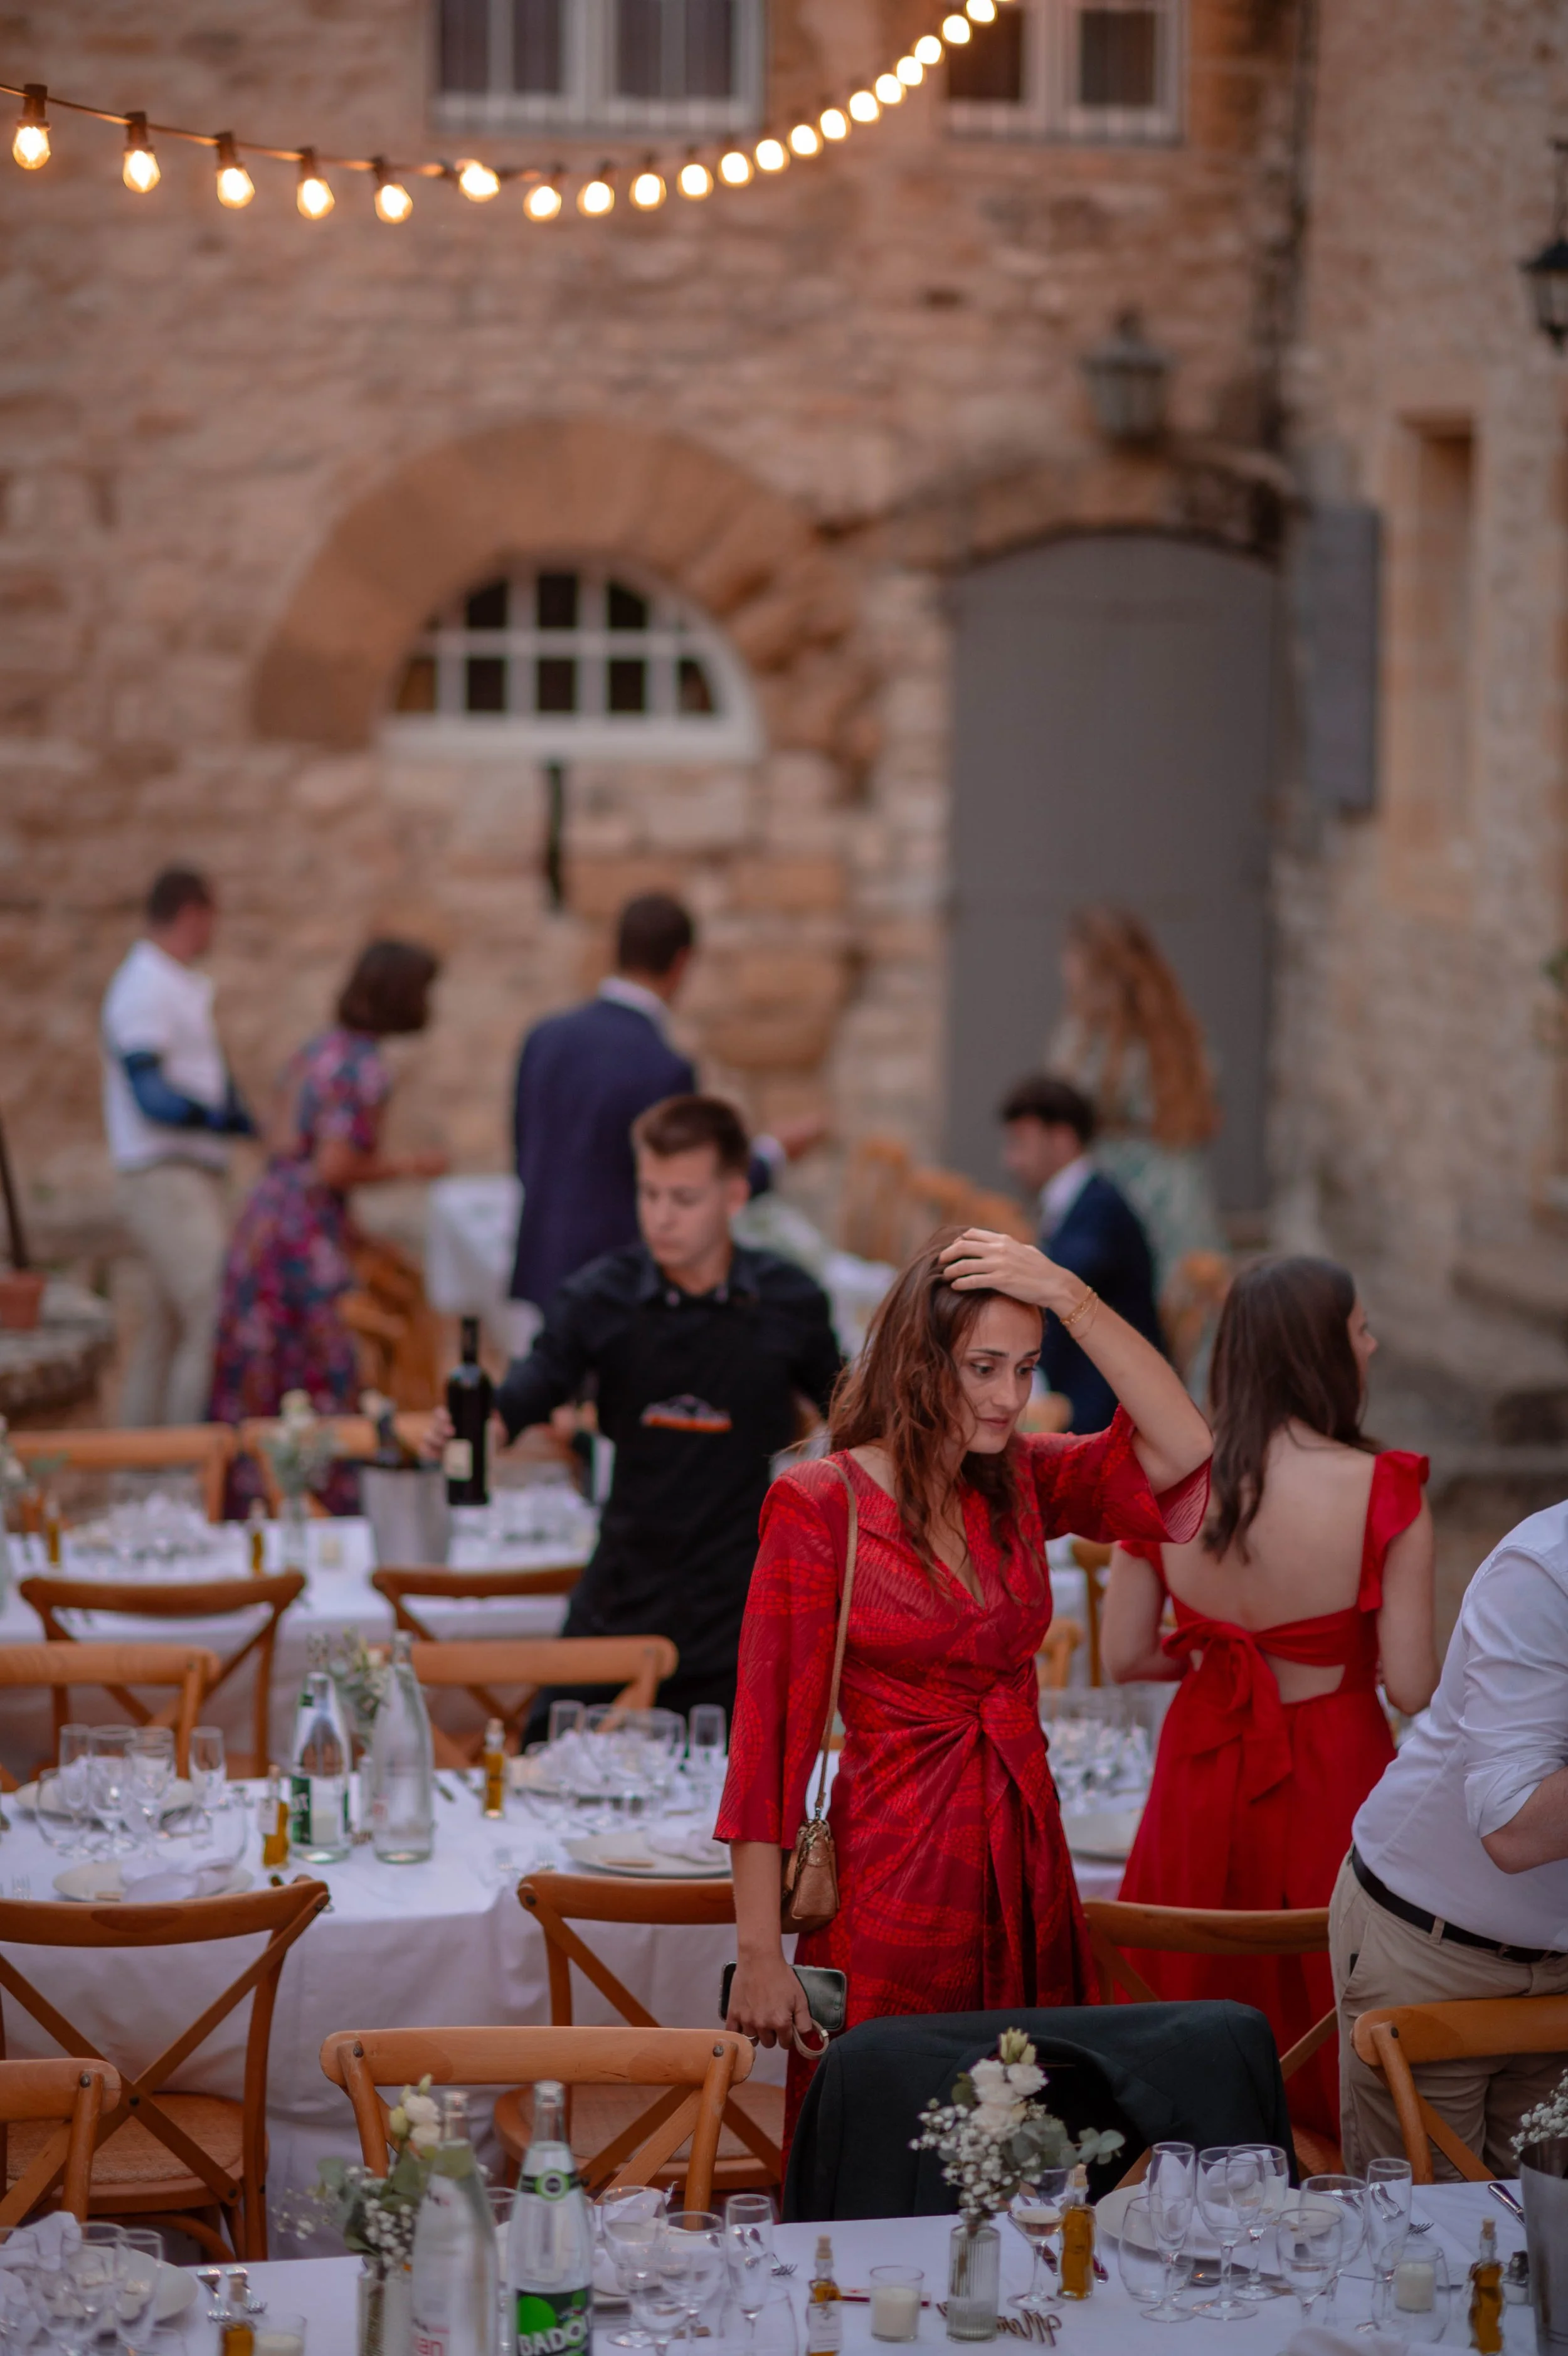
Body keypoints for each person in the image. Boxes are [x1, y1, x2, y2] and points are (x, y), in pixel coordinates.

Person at [718, 1221, 1213, 2146]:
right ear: (919, 1360)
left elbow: (1185, 1447)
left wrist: (1072, 1295)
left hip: (1028, 1864)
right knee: (896, 2147)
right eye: (983, 1367)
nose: (1009, 1397)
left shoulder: (1021, 1479)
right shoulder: (823, 1503)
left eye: (1025, 1369)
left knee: (1031, 2149)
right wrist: (757, 1952)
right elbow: (766, 1742)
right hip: (894, 1878)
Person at [1103, 1256, 1438, 2147]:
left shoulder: (1169, 1479)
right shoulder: (1384, 1487)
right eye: (1361, 1329)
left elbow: (1125, 1653)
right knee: (1335, 1989)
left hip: (1199, 1765)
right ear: (1322, 1352)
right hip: (1336, 1771)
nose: (1373, 1344)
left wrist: (1222, 1661)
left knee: (1185, 1977)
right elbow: (1411, 1687)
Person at [477, 1095, 843, 1726]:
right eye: (649, 1194)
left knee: (729, 1796)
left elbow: (850, 1412)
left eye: (683, 1199)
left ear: (733, 1196)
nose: (660, 1218)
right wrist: (481, 1421)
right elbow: (536, 1382)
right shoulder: (602, 1295)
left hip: (739, 1600)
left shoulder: (787, 1298)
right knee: (543, 1754)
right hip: (624, 1585)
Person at [1332, 1497, 1568, 2177]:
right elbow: (1511, 1823)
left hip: (1558, 1964)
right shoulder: (1544, 1568)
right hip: (1431, 1948)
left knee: (1545, 2247)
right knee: (1426, 2250)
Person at [507, 892, 822, 1340]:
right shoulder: (662, 1067)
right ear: (682, 962)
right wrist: (773, 1153)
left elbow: (523, 1155)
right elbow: (692, 1187)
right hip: (616, 1287)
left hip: (540, 1263)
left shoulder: (543, 1037)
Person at [209, 940, 447, 1456]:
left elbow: (280, 1140)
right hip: (301, 1239)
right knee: (318, 1374)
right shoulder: (364, 1068)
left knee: (264, 1371)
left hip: (265, 1220)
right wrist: (413, 1166)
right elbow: (334, 1166)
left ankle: (251, 1491)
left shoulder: (318, 1050)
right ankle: (318, 1499)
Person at [100, 868, 255, 1427]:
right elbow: (152, 1096)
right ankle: (189, 1461)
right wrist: (222, 1117)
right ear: (193, 913)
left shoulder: (172, 982)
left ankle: (140, 1466)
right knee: (215, 1307)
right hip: (165, 1173)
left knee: (164, 1329)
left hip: (189, 1172)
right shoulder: (144, 984)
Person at [1049, 906, 1225, 1298]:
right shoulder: (1176, 1027)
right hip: (1181, 1187)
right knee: (1179, 1300)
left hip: (1120, 1188)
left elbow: (1065, 1102)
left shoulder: (1092, 1037)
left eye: (1071, 958)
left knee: (1124, 1304)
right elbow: (1209, 1117)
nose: (1065, 970)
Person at [999, 1073, 1163, 1432]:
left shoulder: (1100, 1207)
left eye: (1021, 1143)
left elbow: (1062, 1279)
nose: (1011, 1161)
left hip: (1103, 1402)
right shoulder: (1081, 1199)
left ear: (1062, 1139)